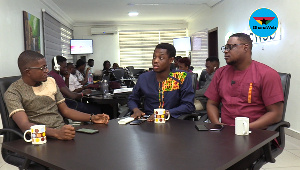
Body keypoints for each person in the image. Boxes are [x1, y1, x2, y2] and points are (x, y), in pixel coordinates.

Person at [4, 50, 109, 140]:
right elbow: (25, 126)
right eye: (43, 68)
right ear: (28, 72)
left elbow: (66, 110)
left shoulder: (50, 81)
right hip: (41, 139)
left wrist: (92, 118)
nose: (47, 71)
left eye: (46, 67)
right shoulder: (13, 92)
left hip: (62, 132)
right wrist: (56, 133)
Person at [205, 33, 284, 130]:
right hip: (225, 133)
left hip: (256, 132)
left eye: (230, 47)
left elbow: (276, 114)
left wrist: (243, 128)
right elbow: (211, 103)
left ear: (245, 48)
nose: (225, 51)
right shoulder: (220, 73)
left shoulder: (267, 74)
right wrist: (217, 125)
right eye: (225, 48)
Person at [128, 43, 195, 121]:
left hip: (173, 121)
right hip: (149, 121)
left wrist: (165, 113)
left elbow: (188, 105)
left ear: (171, 60)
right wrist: (136, 110)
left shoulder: (181, 76)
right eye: (154, 57)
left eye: (161, 58)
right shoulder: (144, 78)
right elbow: (132, 99)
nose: (155, 61)